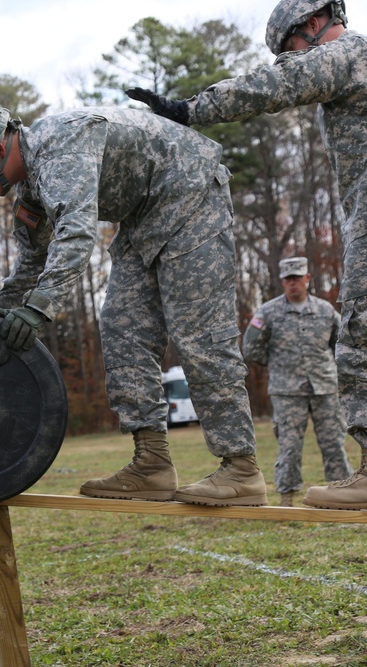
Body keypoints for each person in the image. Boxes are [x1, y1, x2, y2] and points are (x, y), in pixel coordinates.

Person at [0, 102, 267, 506]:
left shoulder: (60, 147)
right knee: (121, 327)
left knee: (197, 333)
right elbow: (30, 262)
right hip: (142, 217)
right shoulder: (31, 187)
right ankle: (152, 464)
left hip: (191, 198)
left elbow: (76, 235)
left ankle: (241, 468)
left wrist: (38, 308)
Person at [124, 0, 367, 510]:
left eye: (290, 51)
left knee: (360, 330)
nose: (291, 62)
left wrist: (192, 110)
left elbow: (277, 86)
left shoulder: (347, 54)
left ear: (312, 24)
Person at [242, 257, 354, 506]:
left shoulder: (325, 310)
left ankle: (341, 494)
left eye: (297, 278)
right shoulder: (268, 312)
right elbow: (250, 348)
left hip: (324, 386)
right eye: (288, 279)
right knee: (289, 445)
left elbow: (340, 343)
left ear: (307, 279)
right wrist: (278, 364)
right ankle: (286, 498)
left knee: (334, 442)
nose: (293, 283)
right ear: (283, 282)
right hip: (287, 390)